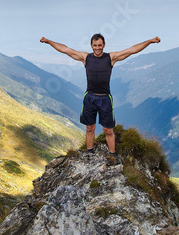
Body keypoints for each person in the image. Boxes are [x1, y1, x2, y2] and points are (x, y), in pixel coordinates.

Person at [40, 34, 161, 162]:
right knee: (89, 128)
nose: (97, 48)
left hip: (105, 99)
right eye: (95, 45)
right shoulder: (86, 58)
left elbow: (132, 50)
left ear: (104, 45)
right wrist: (48, 41)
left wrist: (150, 41)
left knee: (108, 130)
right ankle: (89, 153)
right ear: (91, 46)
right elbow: (66, 50)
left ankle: (112, 155)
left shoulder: (111, 58)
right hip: (90, 97)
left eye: (100, 45)